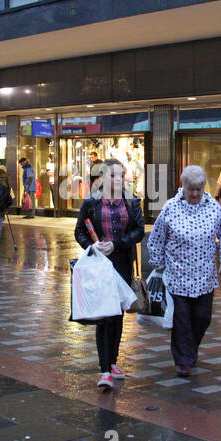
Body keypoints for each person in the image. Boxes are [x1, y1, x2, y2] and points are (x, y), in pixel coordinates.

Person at [145, 165, 221, 378]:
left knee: (203, 317)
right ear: (183, 187)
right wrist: (158, 264)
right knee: (182, 320)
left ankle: (191, 349)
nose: (195, 193)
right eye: (191, 189)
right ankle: (183, 360)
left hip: (205, 277)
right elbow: (157, 239)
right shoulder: (171, 207)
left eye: (199, 188)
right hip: (177, 277)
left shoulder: (213, 208)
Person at [75, 160, 145, 390]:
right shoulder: (91, 203)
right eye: (112, 175)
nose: (117, 179)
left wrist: (117, 244)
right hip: (99, 264)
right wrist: (92, 246)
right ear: (102, 178)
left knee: (118, 314)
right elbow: (79, 231)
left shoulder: (131, 201)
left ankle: (113, 360)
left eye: (120, 175)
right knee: (104, 314)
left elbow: (138, 230)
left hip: (122, 261)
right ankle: (104, 369)